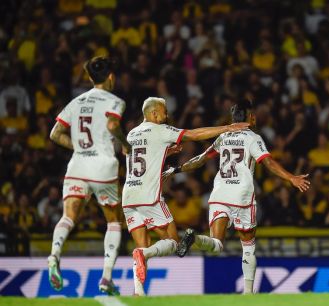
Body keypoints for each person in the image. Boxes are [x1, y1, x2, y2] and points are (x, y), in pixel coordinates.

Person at [164, 99, 310, 294]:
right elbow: (268, 162)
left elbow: (200, 160)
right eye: (253, 114)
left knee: (216, 244)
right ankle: (248, 294)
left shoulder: (223, 137)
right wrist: (291, 177)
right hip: (241, 196)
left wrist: (176, 169)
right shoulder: (253, 138)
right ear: (249, 117)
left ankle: (195, 239)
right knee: (248, 245)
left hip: (219, 193)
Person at [124, 97, 249, 296]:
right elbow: (195, 134)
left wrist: (167, 150)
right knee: (173, 241)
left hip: (128, 197)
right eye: (164, 113)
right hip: (149, 197)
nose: (167, 116)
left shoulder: (132, 134)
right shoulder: (161, 130)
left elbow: (137, 152)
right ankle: (144, 254)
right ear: (154, 113)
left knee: (141, 243)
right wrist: (227, 128)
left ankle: (138, 292)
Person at [47, 57, 131, 295]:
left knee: (69, 216)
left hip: (78, 165)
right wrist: (125, 144)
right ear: (111, 77)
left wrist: (80, 147)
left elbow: (55, 133)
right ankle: (106, 277)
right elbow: (113, 127)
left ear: (90, 78)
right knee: (114, 221)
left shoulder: (77, 101)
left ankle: (54, 255)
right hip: (103, 166)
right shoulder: (115, 101)